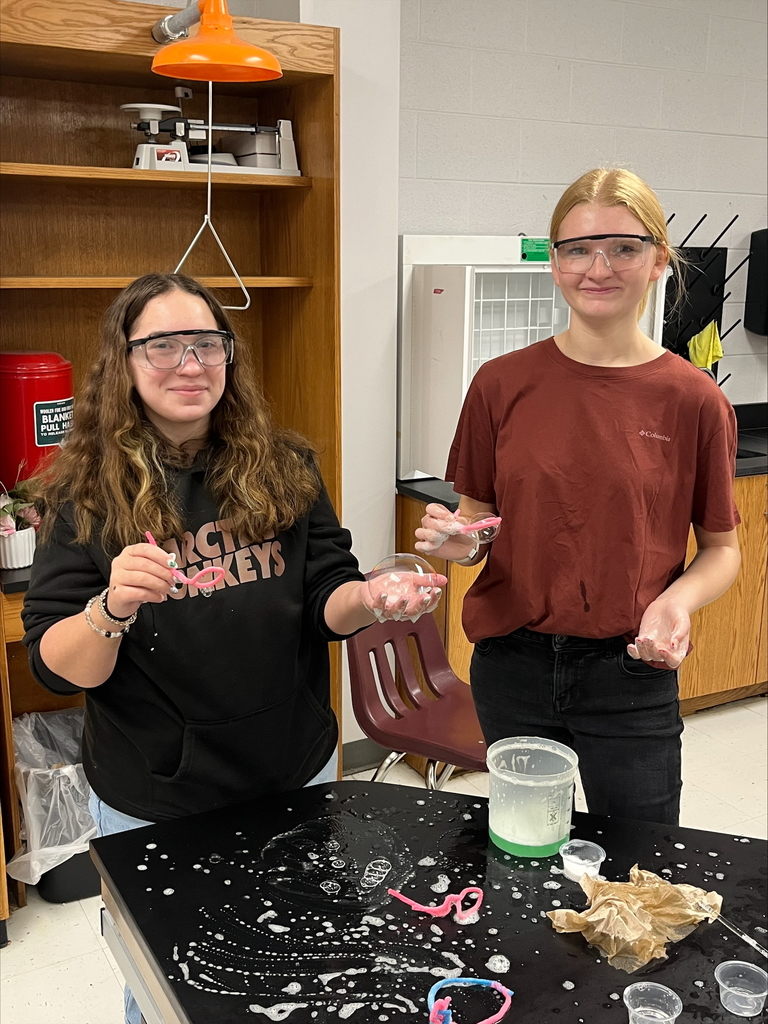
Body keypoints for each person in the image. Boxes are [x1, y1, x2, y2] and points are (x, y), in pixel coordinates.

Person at [22, 273, 445, 1024]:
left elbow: (328, 601)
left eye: (206, 344)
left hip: (294, 769)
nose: (190, 364)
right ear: (123, 361)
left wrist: (373, 596)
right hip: (160, 797)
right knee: (169, 983)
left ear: (229, 356)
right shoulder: (80, 493)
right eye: (162, 346)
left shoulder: (283, 466)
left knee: (303, 958)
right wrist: (112, 605)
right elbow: (57, 666)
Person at [415, 167, 741, 828]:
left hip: (630, 670)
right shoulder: (500, 385)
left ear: (658, 261)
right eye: (577, 249)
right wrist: (463, 542)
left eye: (623, 247)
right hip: (514, 663)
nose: (598, 267)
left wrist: (675, 603)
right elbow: (480, 522)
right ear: (555, 262)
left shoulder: (694, 399)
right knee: (529, 856)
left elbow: (722, 549)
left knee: (640, 866)